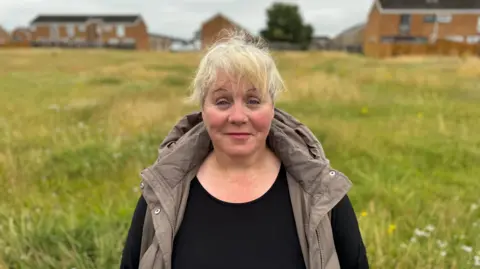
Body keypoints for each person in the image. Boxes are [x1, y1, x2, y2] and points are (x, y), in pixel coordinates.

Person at [120, 30, 369, 269]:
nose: (238, 116)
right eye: (222, 101)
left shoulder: (321, 193)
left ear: (272, 108)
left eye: (253, 100)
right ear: (202, 109)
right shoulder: (162, 192)